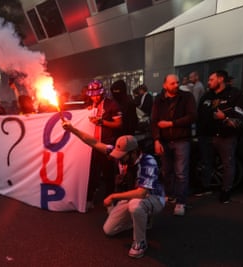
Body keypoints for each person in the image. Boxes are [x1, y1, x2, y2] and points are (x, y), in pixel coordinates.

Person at [62, 122, 165, 258]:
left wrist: (114, 197)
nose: (118, 158)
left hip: (153, 197)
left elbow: (142, 193)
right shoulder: (121, 156)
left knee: (136, 205)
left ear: (133, 153)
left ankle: (140, 243)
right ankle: (142, 220)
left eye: (122, 156)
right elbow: (93, 142)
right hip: (131, 196)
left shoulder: (148, 161)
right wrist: (73, 129)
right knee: (109, 230)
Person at [196, 70, 243, 203]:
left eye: (211, 79)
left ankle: (226, 191)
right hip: (206, 136)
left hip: (226, 137)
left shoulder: (235, 94)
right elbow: (200, 115)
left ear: (220, 79)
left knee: (228, 164)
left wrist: (226, 118)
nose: (208, 82)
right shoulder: (206, 96)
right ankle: (205, 187)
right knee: (206, 162)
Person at [151, 74, 196, 216]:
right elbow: (154, 121)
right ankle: (170, 195)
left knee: (181, 173)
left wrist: (171, 123)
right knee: (166, 170)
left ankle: (181, 202)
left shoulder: (187, 97)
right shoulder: (159, 99)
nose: (176, 85)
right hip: (164, 140)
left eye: (177, 82)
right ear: (165, 85)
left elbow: (193, 116)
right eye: (172, 83)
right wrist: (156, 140)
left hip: (181, 139)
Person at [85, 80, 123, 208]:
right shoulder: (88, 105)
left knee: (108, 173)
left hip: (106, 144)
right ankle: (89, 199)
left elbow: (118, 124)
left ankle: (109, 202)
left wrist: (102, 122)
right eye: (92, 95)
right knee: (91, 173)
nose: (94, 97)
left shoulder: (111, 104)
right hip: (91, 145)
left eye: (97, 94)